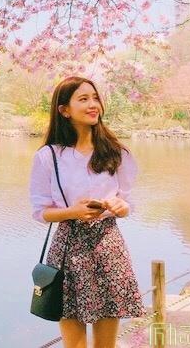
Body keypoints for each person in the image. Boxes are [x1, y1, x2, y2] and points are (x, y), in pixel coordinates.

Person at [29, 76, 146, 348]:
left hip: (108, 246)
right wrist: (72, 211)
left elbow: (128, 202)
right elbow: (40, 212)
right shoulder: (49, 156)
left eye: (95, 98)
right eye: (83, 99)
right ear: (64, 110)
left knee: (106, 345)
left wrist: (121, 207)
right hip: (67, 248)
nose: (93, 104)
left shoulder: (116, 152)